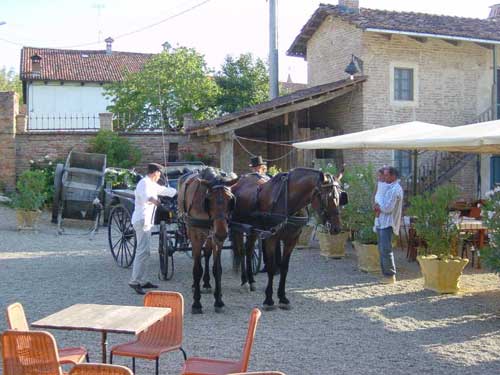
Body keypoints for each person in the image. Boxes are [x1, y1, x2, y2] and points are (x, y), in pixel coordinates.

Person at [129, 163, 177, 295]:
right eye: (159, 174)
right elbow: (147, 197)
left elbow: (165, 190)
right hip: (142, 220)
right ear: (155, 173)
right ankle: (134, 281)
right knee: (142, 251)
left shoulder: (152, 184)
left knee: (147, 252)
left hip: (147, 221)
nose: (159, 176)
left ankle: (143, 280)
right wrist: (159, 204)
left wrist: (179, 191)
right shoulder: (144, 183)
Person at [248, 155, 282, 274]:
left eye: (258, 167)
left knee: (275, 240)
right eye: (254, 168)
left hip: (272, 212)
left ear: (263, 168)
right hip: (259, 212)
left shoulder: (269, 178)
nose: (256, 169)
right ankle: (267, 265)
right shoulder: (251, 178)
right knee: (263, 240)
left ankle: (277, 266)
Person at [374, 166, 403, 284]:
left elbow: (387, 208)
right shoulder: (388, 187)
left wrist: (378, 206)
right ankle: (385, 274)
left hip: (388, 223)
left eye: (386, 175)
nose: (384, 177)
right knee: (381, 249)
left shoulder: (395, 189)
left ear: (393, 176)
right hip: (382, 221)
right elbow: (379, 199)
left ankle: (390, 275)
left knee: (386, 249)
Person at [373, 167, 389, 233]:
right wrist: (373, 202)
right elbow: (374, 193)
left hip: (383, 199)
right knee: (377, 209)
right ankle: (376, 223)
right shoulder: (378, 183)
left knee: (380, 209)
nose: (379, 177)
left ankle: (377, 223)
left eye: (380, 175)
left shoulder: (388, 184)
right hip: (378, 198)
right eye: (378, 175)